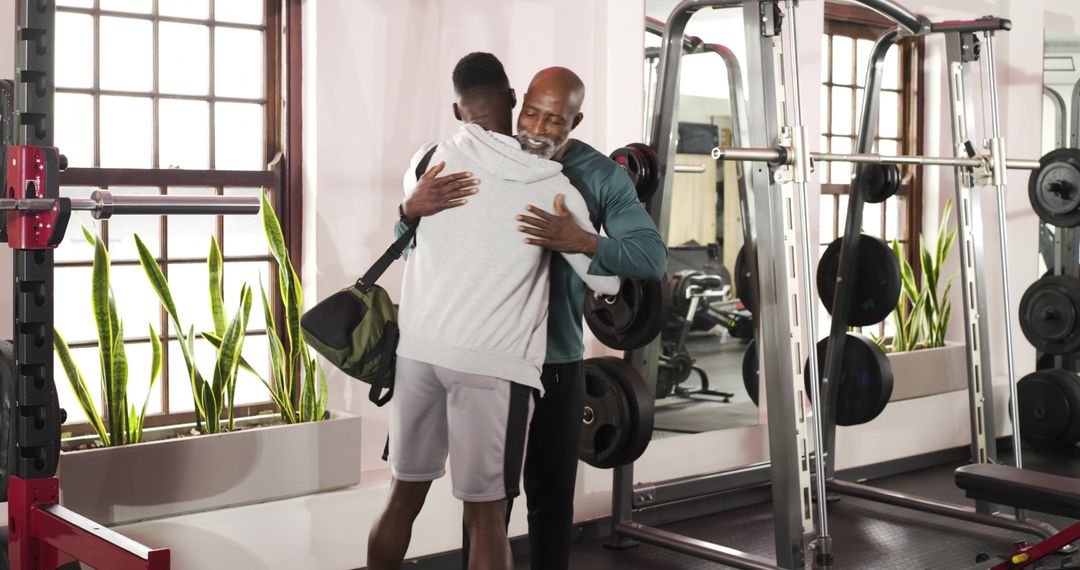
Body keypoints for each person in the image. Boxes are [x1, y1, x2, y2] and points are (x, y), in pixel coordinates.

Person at [366, 53, 620, 570]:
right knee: (486, 516)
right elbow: (609, 279)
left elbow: (412, 241)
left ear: (459, 111)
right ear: (513, 101)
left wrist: (410, 211)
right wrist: (578, 237)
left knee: (401, 499)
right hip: (491, 368)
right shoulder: (551, 182)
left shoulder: (427, 161)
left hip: (417, 356)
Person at [485, 66, 668, 570]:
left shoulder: (600, 176)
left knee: (551, 504)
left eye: (554, 122)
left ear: (576, 121)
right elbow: (418, 229)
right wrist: (407, 213)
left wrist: (582, 241)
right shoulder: (489, 152)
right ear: (519, 105)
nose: (537, 130)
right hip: (490, 355)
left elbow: (651, 259)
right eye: (531, 114)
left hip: (557, 359)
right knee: (487, 506)